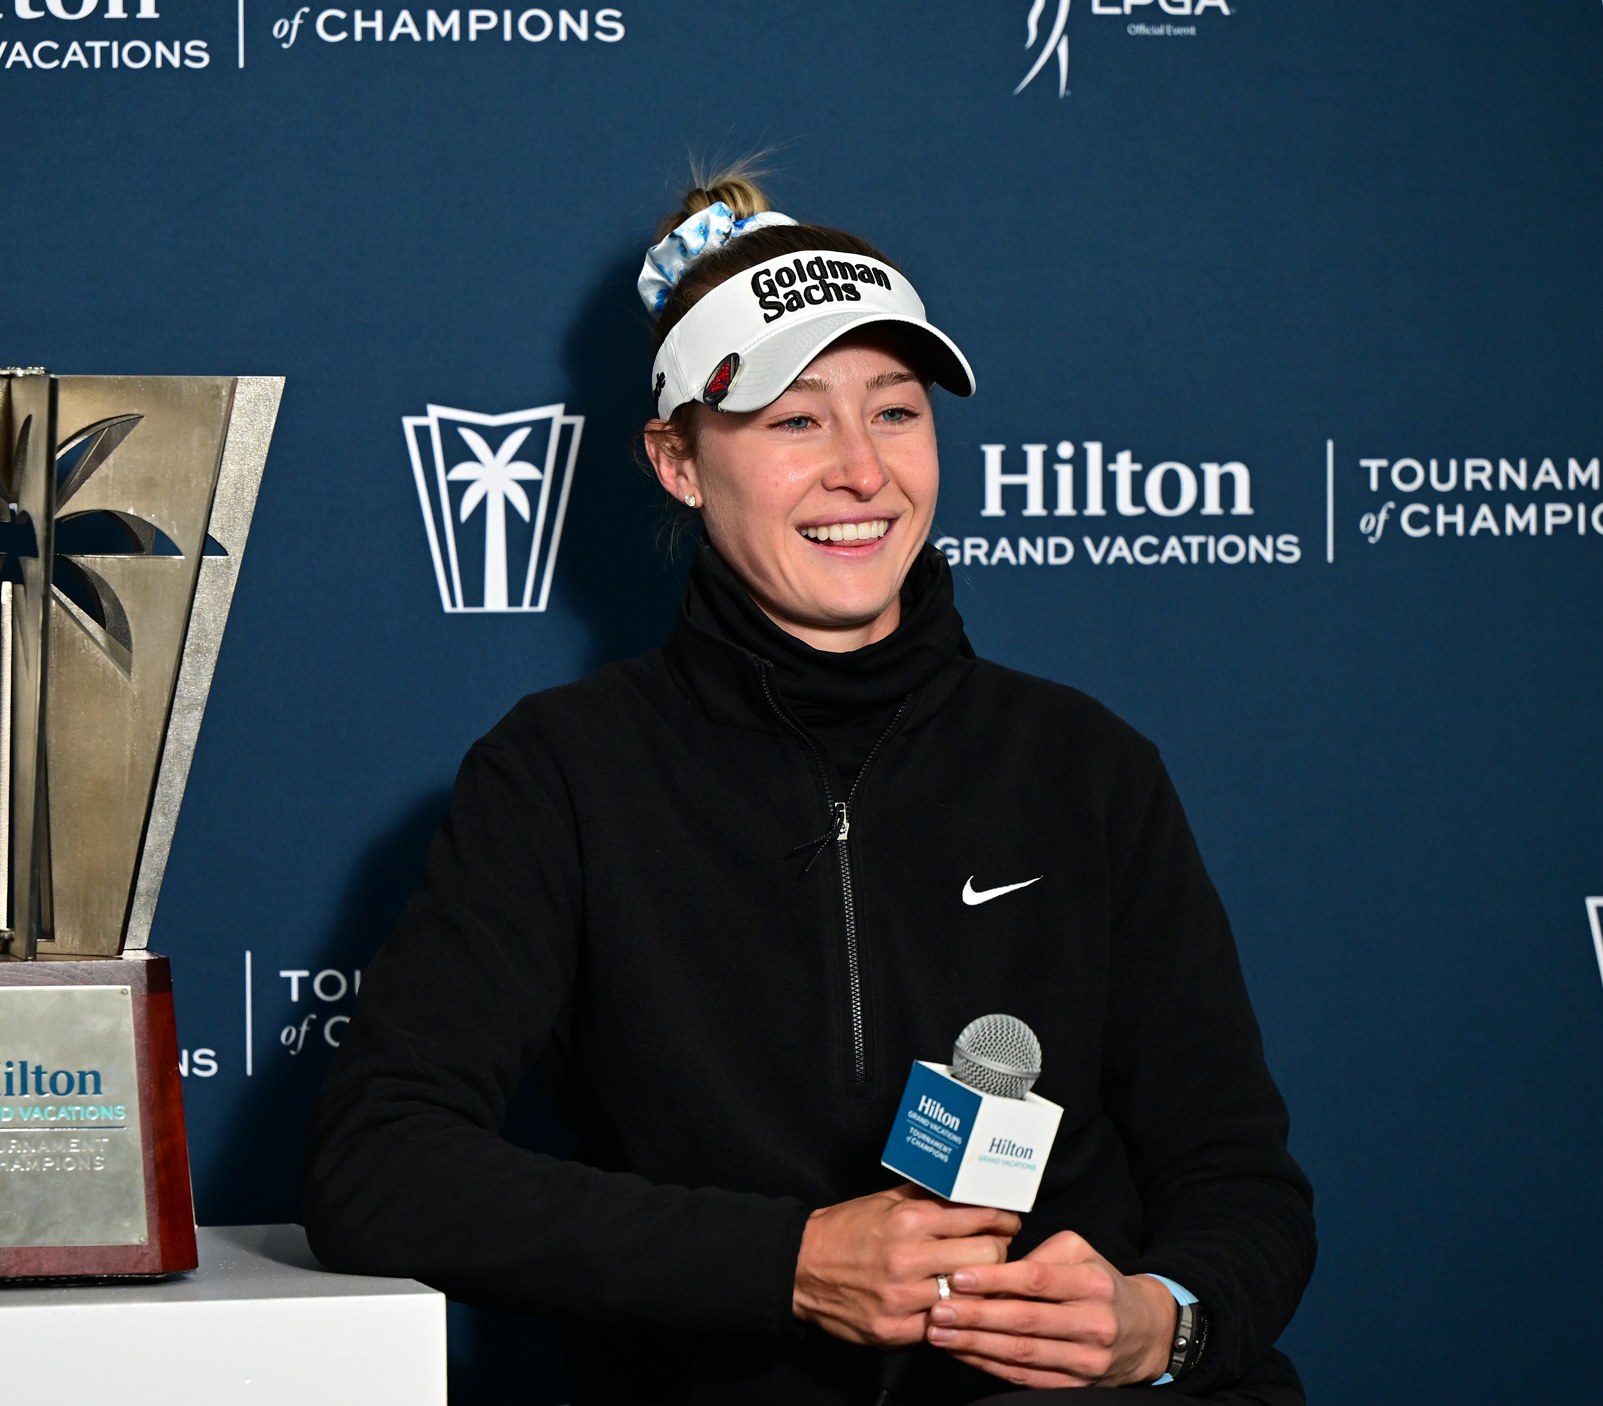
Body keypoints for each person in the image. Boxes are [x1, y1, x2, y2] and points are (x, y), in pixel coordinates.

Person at [304, 169, 1315, 1405]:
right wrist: (783, 1262)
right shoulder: (563, 771)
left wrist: (1166, 1321)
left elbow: (1239, 1180)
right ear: (676, 461)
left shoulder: (1086, 764)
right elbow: (378, 1165)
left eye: (894, 412)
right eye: (793, 420)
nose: (861, 472)